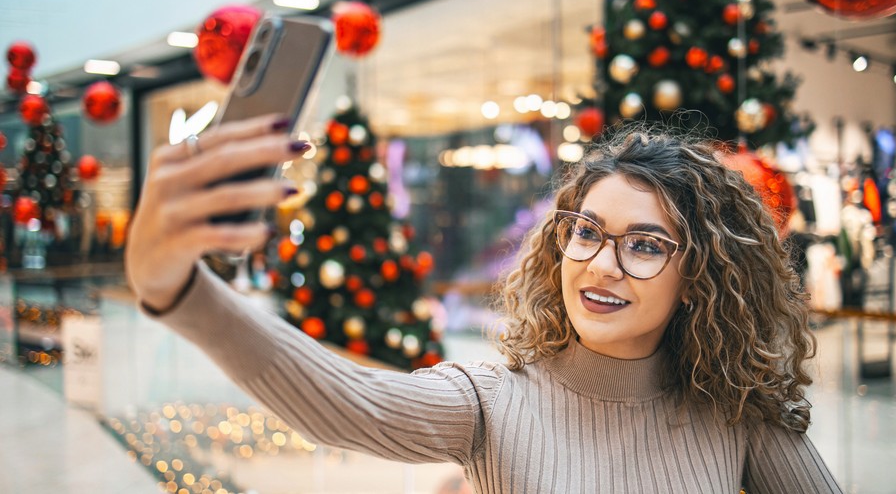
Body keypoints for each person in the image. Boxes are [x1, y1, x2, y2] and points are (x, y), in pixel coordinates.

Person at [126, 114, 843, 493]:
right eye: (586, 232)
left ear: (698, 277)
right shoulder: (491, 402)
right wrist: (179, 290)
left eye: (645, 245)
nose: (600, 264)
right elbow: (342, 400)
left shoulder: (736, 411)